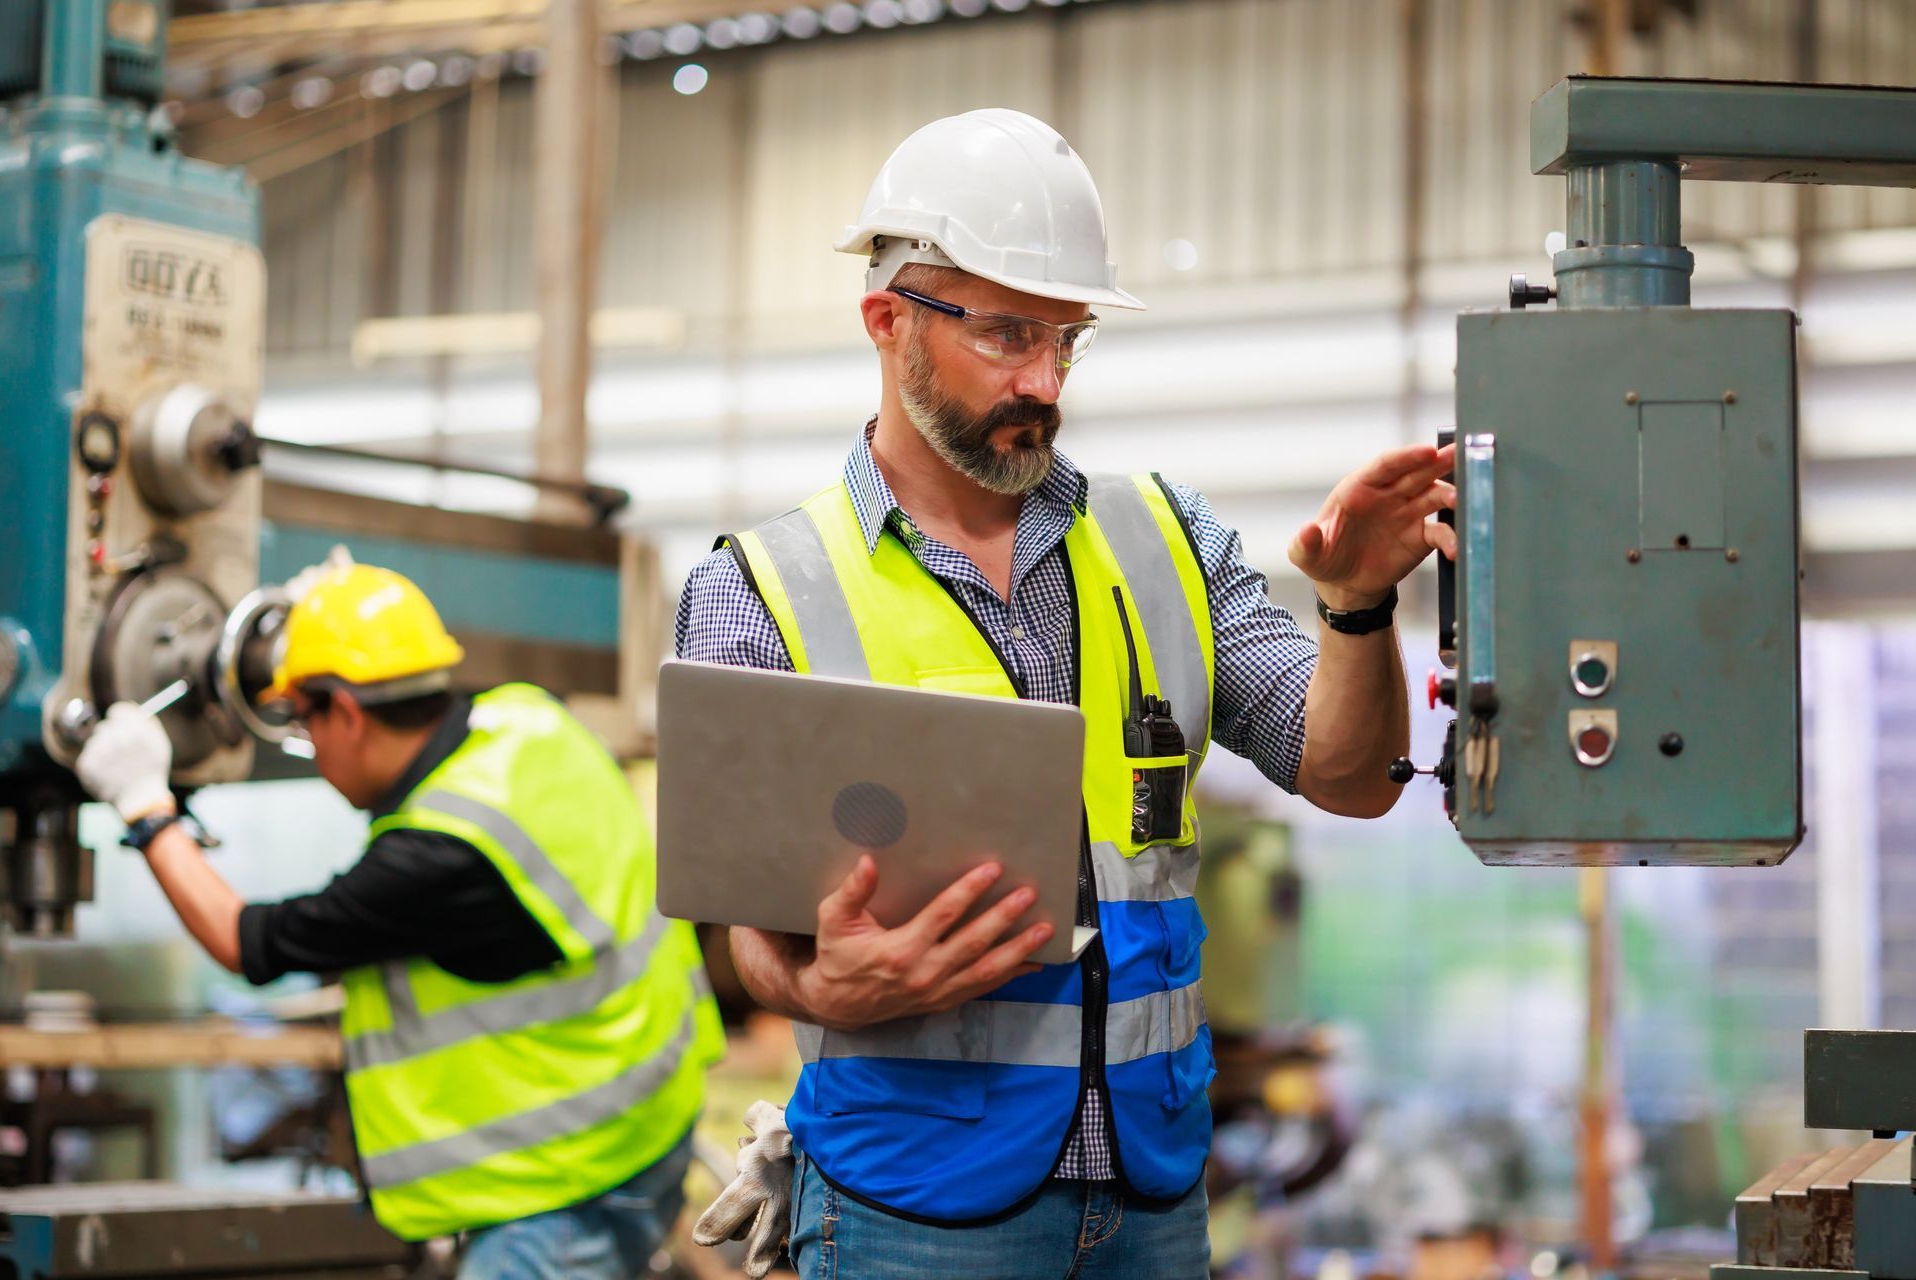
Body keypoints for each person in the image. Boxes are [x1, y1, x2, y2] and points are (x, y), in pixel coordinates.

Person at [676, 108, 1454, 1278]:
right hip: (912, 1208)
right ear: (888, 320)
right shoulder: (760, 588)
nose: (1042, 379)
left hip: (1153, 1194)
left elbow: (1345, 775)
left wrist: (1351, 606)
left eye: (1066, 338)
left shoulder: (1166, 542)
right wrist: (820, 982)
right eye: (1003, 333)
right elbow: (746, 932)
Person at [75, 556, 724, 1278]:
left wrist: (144, 807)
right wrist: (321, 629)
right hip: (648, 1123)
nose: (308, 747)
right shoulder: (531, 719)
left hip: (564, 1185)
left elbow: (243, 939)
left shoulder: (436, 855)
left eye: (302, 717)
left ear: (348, 713)